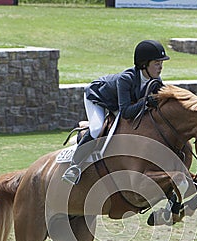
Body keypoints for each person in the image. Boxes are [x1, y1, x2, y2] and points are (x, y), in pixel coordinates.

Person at [62, 39, 170, 185]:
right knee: (97, 128)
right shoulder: (126, 79)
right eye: (157, 63)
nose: (160, 67)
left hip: (118, 103)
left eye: (161, 63)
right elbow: (125, 112)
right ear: (144, 64)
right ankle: (74, 167)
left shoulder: (155, 81)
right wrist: (145, 102)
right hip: (98, 97)